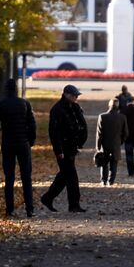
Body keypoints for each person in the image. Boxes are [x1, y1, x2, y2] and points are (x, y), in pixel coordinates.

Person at [0, 78, 37, 217]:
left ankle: (10, 209)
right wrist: (31, 141)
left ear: (5, 89)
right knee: (26, 177)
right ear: (16, 89)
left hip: (8, 145)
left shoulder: (0, 105)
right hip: (23, 144)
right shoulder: (24, 103)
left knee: (9, 177)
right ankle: (30, 209)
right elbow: (32, 125)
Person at [42, 84, 88, 212]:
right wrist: (58, 150)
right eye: (74, 96)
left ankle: (48, 198)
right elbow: (54, 132)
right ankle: (73, 205)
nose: (76, 98)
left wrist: (80, 141)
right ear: (66, 94)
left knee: (64, 176)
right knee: (71, 176)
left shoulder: (74, 107)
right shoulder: (57, 109)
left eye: (76, 96)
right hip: (63, 148)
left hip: (71, 147)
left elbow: (79, 124)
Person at [95, 98, 127, 185]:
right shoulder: (122, 117)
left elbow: (99, 133)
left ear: (109, 105)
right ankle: (111, 181)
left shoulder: (102, 116)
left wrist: (98, 147)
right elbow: (126, 133)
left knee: (104, 163)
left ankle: (103, 180)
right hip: (116, 144)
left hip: (104, 144)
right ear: (118, 106)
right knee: (114, 164)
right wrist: (120, 141)